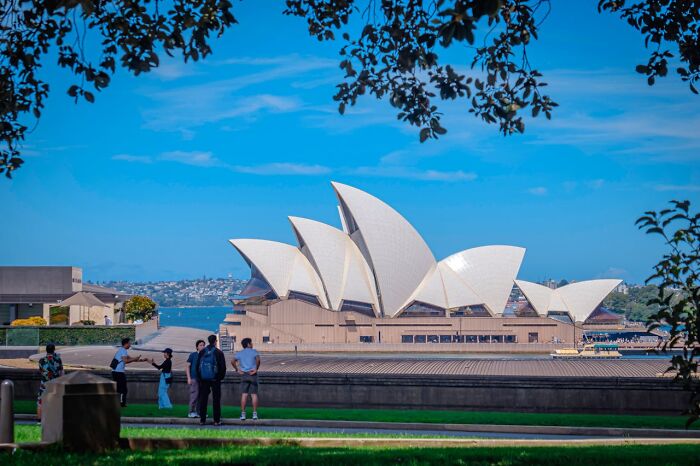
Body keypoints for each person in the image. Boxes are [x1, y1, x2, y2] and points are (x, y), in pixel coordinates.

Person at [196, 334, 226, 425]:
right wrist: (219, 378)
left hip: (204, 379)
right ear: (215, 341)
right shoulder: (218, 352)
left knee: (203, 399)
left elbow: (198, 366)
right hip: (215, 379)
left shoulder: (202, 352)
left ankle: (202, 420)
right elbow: (223, 367)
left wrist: (200, 378)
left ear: (208, 341)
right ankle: (216, 420)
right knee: (216, 399)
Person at [232, 337, 261, 421]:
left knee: (244, 394)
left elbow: (232, 361)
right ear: (248, 344)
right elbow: (258, 360)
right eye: (251, 343)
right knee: (254, 395)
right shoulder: (254, 351)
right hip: (253, 374)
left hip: (244, 374)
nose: (252, 344)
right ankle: (254, 414)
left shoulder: (240, 353)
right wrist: (256, 369)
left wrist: (237, 369)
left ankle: (243, 414)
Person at [111, 337, 143, 407]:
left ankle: (117, 403)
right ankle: (121, 404)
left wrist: (142, 360)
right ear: (126, 344)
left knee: (119, 388)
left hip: (116, 372)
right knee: (123, 389)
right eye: (129, 343)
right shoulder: (123, 351)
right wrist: (135, 358)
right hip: (118, 372)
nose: (130, 345)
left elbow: (130, 359)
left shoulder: (122, 350)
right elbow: (126, 361)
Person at [37, 343, 64, 419]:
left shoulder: (41, 360)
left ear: (46, 350)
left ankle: (39, 420)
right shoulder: (58, 359)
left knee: (40, 402)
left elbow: (41, 372)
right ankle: (54, 419)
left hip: (44, 385)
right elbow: (61, 373)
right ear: (54, 350)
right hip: (55, 385)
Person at [186, 339, 205, 418]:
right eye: (201, 345)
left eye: (204, 345)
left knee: (201, 396)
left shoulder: (205, 355)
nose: (203, 346)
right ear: (197, 347)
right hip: (194, 378)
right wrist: (188, 378)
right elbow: (187, 366)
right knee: (194, 395)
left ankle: (199, 412)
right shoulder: (193, 355)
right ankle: (191, 412)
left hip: (203, 379)